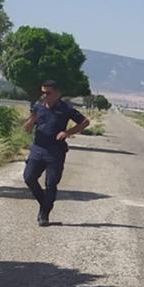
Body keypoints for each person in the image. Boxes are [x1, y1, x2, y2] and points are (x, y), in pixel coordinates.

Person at [23, 80, 89, 226]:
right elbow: (26, 129)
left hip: (55, 152)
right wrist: (32, 118)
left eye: (48, 93)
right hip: (38, 149)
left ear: (58, 93)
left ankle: (44, 215)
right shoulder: (38, 107)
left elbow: (85, 122)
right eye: (43, 92)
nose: (44, 95)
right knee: (29, 177)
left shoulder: (65, 108)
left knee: (51, 183)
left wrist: (67, 132)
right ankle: (45, 204)